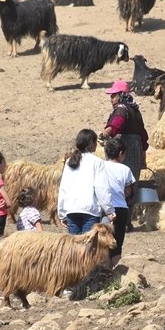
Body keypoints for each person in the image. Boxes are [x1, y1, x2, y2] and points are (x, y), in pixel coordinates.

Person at [57, 129, 115, 235]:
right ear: (91, 143)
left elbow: (64, 187)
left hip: (71, 209)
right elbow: (101, 188)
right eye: (95, 142)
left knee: (74, 247)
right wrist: (109, 210)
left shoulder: (70, 162)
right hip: (90, 210)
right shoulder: (97, 162)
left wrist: (61, 213)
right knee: (88, 248)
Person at [101, 80, 149, 181]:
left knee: (117, 184)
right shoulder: (136, 111)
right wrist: (143, 160)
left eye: (113, 96)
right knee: (131, 186)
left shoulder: (121, 108)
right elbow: (143, 137)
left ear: (121, 95)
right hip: (136, 151)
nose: (111, 99)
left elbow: (118, 120)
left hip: (123, 151)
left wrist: (107, 131)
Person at [101, 136, 137, 268]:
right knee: (117, 243)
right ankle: (115, 274)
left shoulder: (101, 166)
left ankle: (104, 273)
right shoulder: (125, 169)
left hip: (105, 209)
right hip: (121, 208)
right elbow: (129, 190)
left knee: (104, 243)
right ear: (121, 153)